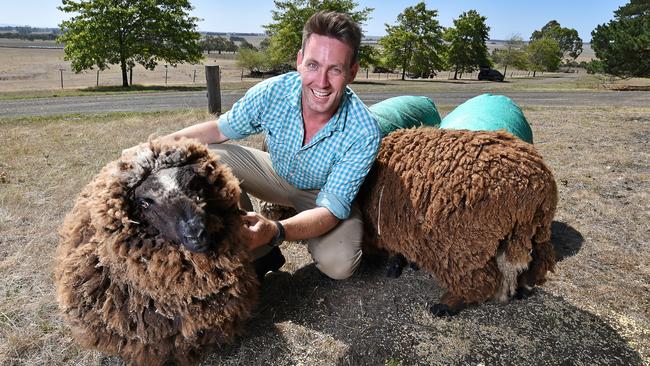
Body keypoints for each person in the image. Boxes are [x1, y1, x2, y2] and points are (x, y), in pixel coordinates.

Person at [160, 11, 381, 280]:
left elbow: (331, 211)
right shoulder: (273, 92)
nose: (321, 82)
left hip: (321, 195)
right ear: (300, 61)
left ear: (352, 72)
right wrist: (156, 147)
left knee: (340, 264)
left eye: (335, 69)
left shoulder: (364, 130)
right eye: (313, 65)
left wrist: (277, 229)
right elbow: (218, 130)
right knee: (208, 158)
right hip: (274, 172)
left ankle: (267, 234)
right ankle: (258, 251)